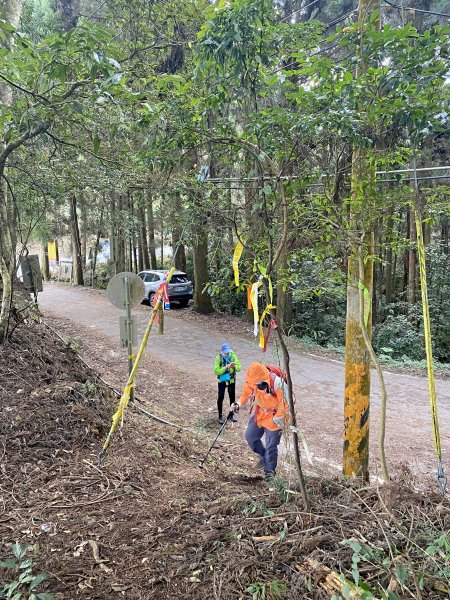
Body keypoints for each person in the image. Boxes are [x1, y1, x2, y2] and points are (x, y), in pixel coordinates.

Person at [233, 362, 289, 481]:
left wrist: (277, 420)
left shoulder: (277, 383)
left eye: (255, 384)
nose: (253, 386)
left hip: (274, 417)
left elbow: (286, 404)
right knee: (250, 437)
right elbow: (246, 392)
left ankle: (269, 475)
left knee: (271, 447)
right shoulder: (252, 380)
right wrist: (238, 403)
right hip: (259, 413)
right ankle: (263, 457)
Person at [214, 343, 241, 425]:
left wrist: (233, 367)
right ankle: (220, 416)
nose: (227, 353)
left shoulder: (233, 356)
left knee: (232, 397)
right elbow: (216, 371)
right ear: (222, 351)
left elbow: (239, 367)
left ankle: (231, 415)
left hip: (231, 380)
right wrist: (226, 367)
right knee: (221, 396)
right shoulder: (218, 358)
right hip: (222, 381)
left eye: (228, 351)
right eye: (225, 352)